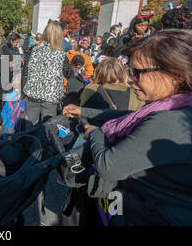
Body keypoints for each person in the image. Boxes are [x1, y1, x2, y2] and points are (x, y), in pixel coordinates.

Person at [63, 30, 192, 225]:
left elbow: (109, 167)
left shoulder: (168, 121)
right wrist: (83, 111)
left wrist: (95, 132)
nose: (131, 78)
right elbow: (128, 118)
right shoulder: (178, 107)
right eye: (131, 71)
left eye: (139, 72)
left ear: (176, 75)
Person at [22, 20, 73, 126]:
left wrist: (23, 92)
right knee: (48, 128)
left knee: (30, 127)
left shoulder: (34, 51)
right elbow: (69, 74)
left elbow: (25, 73)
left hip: (32, 94)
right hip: (51, 97)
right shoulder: (61, 55)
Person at [80, 57, 145, 111]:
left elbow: (81, 110)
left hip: (93, 125)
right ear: (123, 72)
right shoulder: (135, 93)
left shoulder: (91, 88)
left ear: (99, 72)